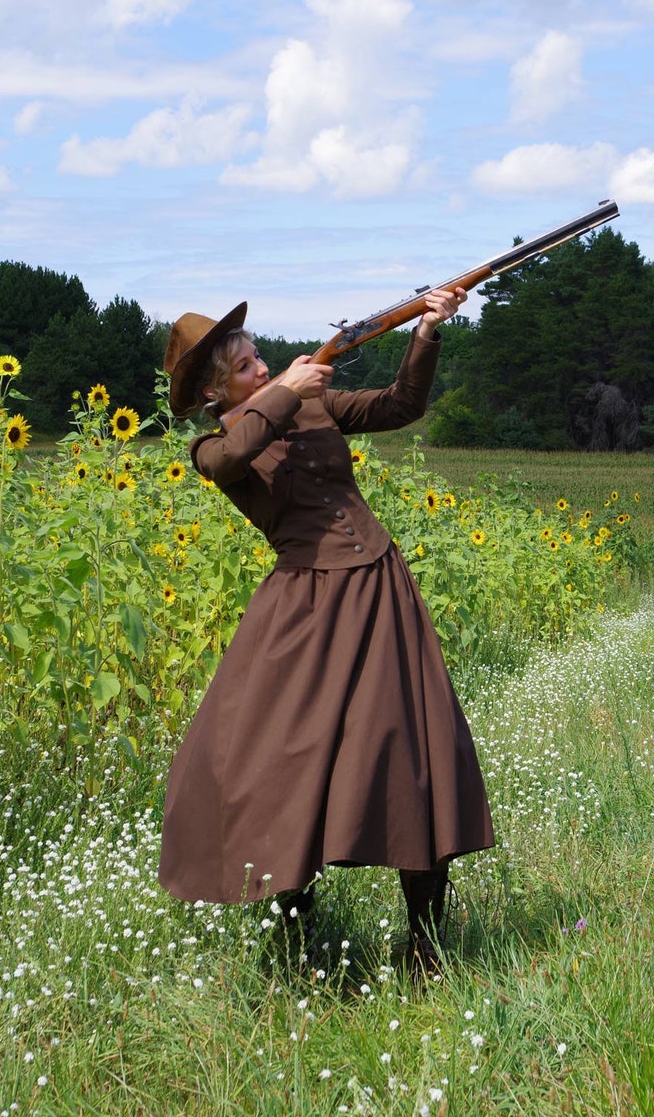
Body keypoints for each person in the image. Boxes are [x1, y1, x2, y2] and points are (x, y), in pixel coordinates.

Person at [158, 288, 495, 970]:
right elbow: (235, 456)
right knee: (284, 767)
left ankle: (425, 947)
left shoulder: (312, 403)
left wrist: (426, 331)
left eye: (260, 356)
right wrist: (287, 390)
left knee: (413, 751)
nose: (265, 366)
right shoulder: (214, 445)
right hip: (303, 613)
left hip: (379, 590)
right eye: (249, 366)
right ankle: (291, 936)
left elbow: (400, 405)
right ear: (218, 389)